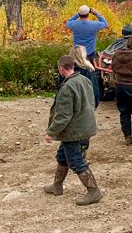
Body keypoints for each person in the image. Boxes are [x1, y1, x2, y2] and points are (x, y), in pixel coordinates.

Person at [43, 55, 102, 205]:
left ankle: (93, 190)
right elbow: (94, 99)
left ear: (61, 68)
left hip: (74, 131)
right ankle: (57, 185)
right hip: (85, 126)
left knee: (76, 160)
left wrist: (51, 132)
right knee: (63, 155)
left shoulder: (67, 87)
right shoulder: (85, 80)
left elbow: (63, 116)